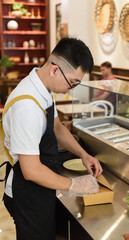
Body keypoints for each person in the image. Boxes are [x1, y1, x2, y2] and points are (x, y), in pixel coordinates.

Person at [1, 37, 103, 240]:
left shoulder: (44, 87)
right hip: (27, 192)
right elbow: (31, 170)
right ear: (55, 70)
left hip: (41, 184)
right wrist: (74, 185)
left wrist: (83, 154)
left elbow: (57, 126)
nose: (70, 89)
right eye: (72, 83)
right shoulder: (26, 107)